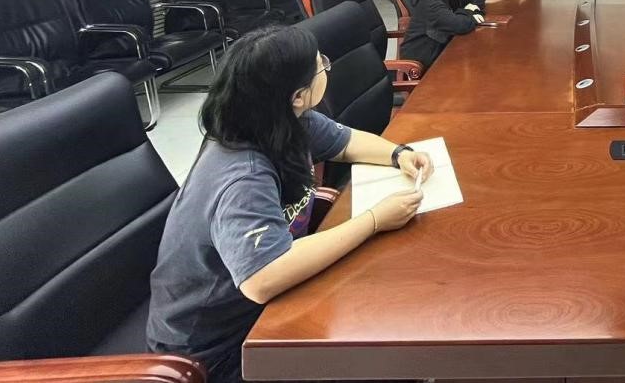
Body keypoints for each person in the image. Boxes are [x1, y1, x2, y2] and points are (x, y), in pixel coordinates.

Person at [147, 26, 433, 383]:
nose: (326, 67)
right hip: (219, 351)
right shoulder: (242, 176)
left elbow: (345, 143)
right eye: (320, 65)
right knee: (387, 346)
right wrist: (374, 220)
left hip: (269, 307)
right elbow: (262, 279)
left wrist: (398, 154)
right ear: (298, 95)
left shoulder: (279, 120)